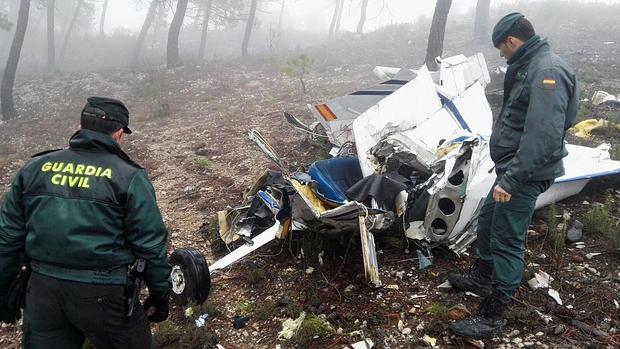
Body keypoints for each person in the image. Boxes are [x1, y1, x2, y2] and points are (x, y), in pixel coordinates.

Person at [0, 97, 171, 348]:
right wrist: (161, 294)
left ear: (79, 126)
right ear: (119, 133)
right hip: (104, 293)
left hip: (42, 292)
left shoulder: (34, 168)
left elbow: (7, 238)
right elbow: (150, 243)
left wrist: (3, 291)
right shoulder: (129, 175)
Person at [448, 13, 579, 339]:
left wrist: (512, 178)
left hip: (523, 173)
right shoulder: (531, 65)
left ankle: (493, 316)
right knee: (490, 221)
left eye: (501, 49)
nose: (501, 55)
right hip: (514, 168)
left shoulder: (546, 72)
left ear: (512, 41)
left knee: (507, 239)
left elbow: (545, 136)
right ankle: (482, 278)